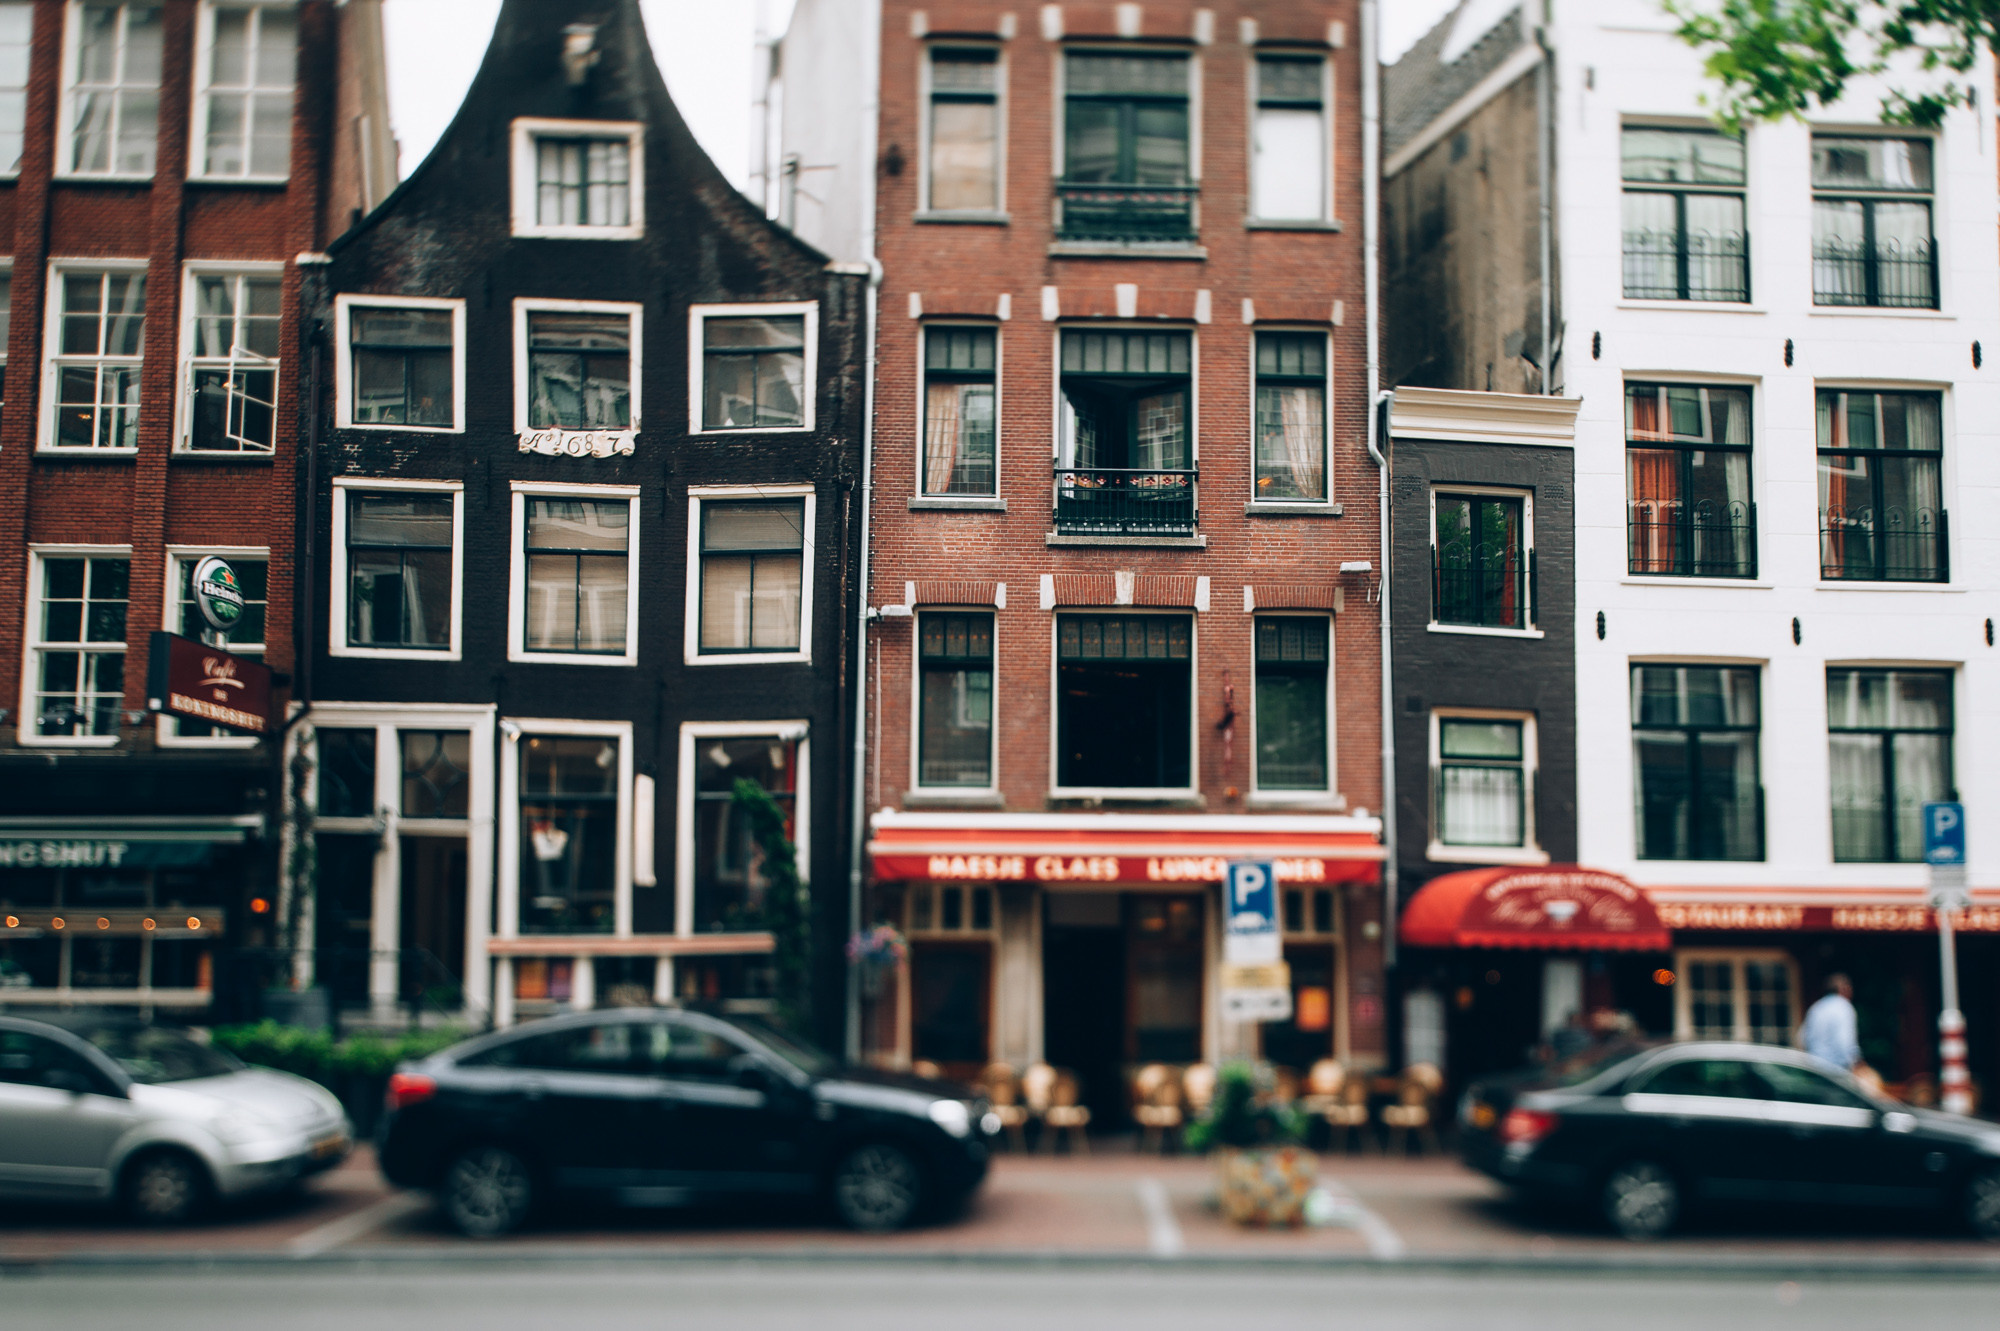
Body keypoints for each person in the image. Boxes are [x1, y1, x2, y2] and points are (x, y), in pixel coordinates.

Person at [1800, 973, 1861, 1071]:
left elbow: (1802, 1038)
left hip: (1815, 1069)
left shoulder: (1816, 1007)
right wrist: (1855, 1063)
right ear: (1843, 989)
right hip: (1836, 1069)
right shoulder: (1843, 1007)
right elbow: (1844, 1041)